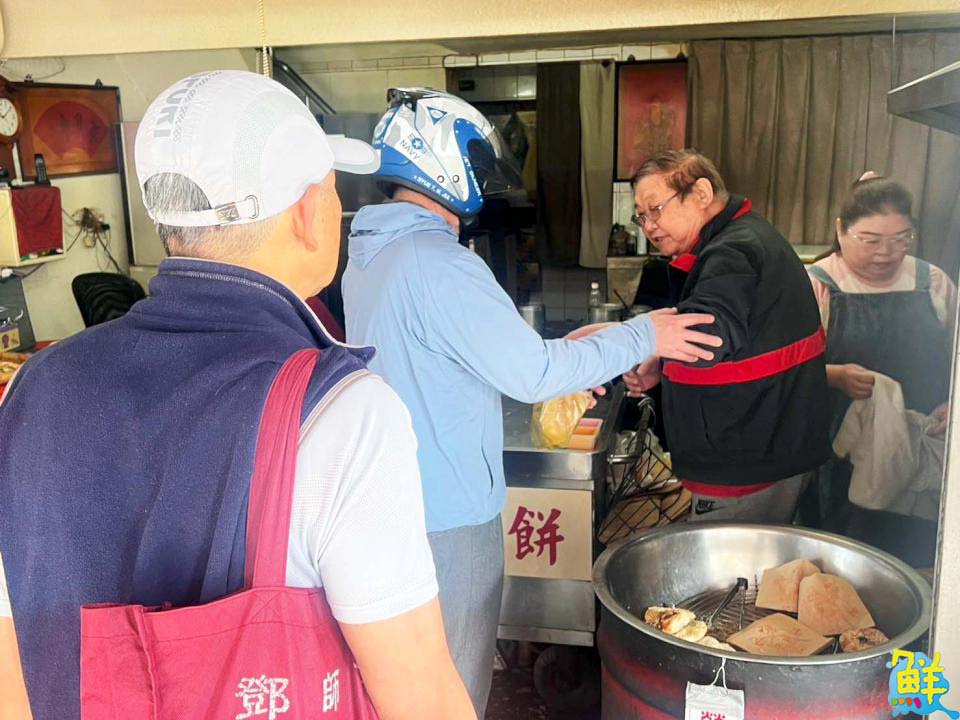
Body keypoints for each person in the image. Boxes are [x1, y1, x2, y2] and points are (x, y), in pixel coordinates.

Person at [0, 71, 475, 720]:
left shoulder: (32, 389)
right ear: (312, 212)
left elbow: (11, 655)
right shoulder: (344, 413)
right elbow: (419, 695)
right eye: (335, 193)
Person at [342, 89, 720, 716]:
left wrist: (554, 348)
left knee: (409, 683)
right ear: (441, 160)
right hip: (450, 512)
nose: (484, 184)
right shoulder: (436, 261)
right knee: (454, 684)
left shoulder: (374, 255)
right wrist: (643, 333)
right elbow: (532, 377)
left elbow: (447, 356)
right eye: (476, 163)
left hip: (397, 500)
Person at [623, 149, 831, 523]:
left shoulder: (734, 250)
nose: (649, 226)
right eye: (641, 216)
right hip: (766, 445)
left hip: (747, 461)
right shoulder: (741, 237)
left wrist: (621, 338)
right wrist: (662, 362)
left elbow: (708, 335)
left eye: (656, 209)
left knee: (732, 575)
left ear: (701, 193)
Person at [804, 174, 955, 566]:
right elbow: (784, 369)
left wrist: (950, 405)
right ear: (841, 230)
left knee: (918, 555)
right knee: (847, 556)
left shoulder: (932, 281)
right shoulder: (818, 285)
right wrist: (833, 375)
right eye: (871, 240)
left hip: (925, 440)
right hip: (839, 451)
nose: (887, 252)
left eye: (901, 238)